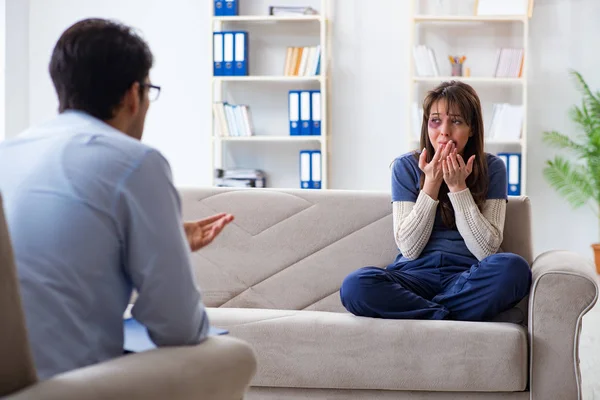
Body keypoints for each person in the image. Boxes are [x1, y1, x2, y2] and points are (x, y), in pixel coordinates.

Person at [0, 18, 233, 379]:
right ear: (132, 95)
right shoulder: (136, 162)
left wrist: (164, 242)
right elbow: (178, 326)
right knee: (229, 353)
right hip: (65, 382)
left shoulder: (8, 152)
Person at [339, 81, 531, 321]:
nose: (444, 131)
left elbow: (487, 251)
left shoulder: (493, 168)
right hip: (413, 277)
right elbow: (409, 248)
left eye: (456, 121)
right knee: (355, 286)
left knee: (514, 269)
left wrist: (458, 188)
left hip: (466, 277)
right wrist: (431, 184)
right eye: (435, 120)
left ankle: (427, 314)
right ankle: (446, 317)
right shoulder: (405, 167)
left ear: (472, 128)